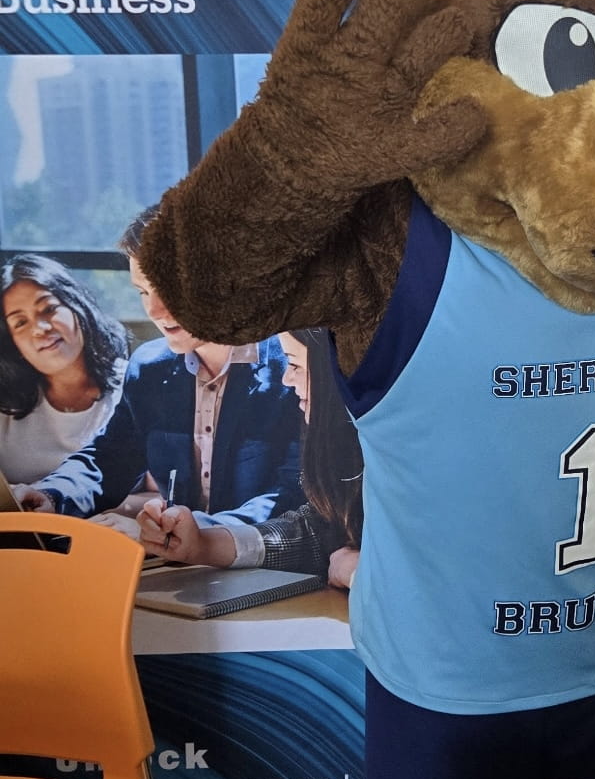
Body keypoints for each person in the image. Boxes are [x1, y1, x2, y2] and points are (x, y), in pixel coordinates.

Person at [18, 206, 303, 538]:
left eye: (169, 288)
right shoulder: (149, 369)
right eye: (143, 291)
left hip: (267, 570)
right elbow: (109, 459)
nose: (155, 310)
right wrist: (53, 495)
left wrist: (192, 535)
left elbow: (294, 498)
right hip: (180, 572)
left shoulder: (293, 371)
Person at [133, 327, 363, 587]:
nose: (286, 379)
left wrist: (361, 574)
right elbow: (314, 532)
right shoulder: (341, 450)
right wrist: (200, 544)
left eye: (295, 365)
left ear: (337, 369)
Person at [0, 253, 127, 483]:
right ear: (12, 343)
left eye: (48, 309)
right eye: (20, 323)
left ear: (76, 306)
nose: (40, 328)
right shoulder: (5, 406)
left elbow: (165, 491)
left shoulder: (137, 384)